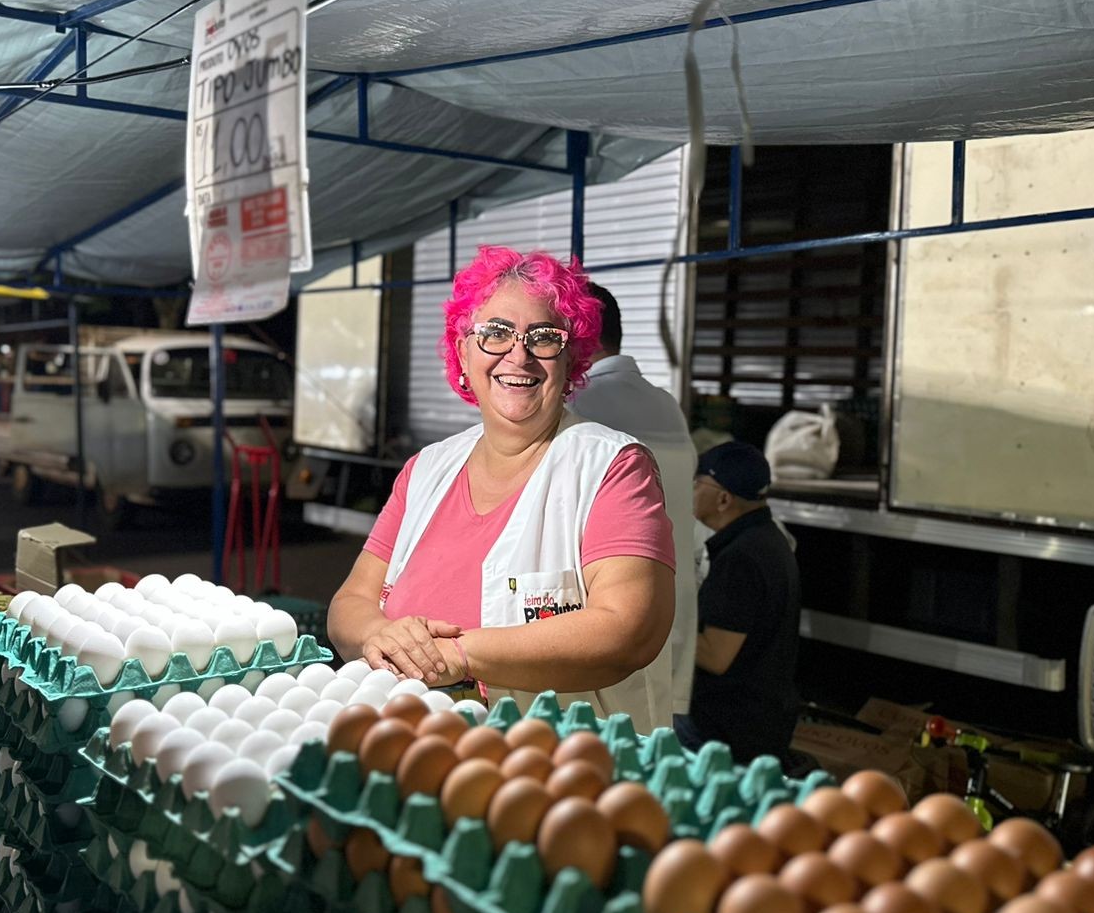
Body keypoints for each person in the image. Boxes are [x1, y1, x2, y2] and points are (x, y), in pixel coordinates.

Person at [328, 246, 677, 732]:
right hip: (414, 747)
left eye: (543, 337)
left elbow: (628, 630)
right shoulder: (427, 469)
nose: (519, 355)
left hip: (552, 766)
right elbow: (348, 606)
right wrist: (380, 635)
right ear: (462, 351)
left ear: (571, 356)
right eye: (495, 334)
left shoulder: (612, 468)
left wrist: (458, 655)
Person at [573, 283, 699, 722]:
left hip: (607, 625)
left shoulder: (581, 405)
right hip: (670, 616)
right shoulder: (664, 404)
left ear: (580, 335)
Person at [683, 440, 802, 763]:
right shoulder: (767, 539)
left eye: (698, 483)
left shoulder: (741, 559)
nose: (691, 490)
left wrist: (658, 628)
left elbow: (716, 656)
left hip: (728, 730)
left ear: (723, 499)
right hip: (763, 719)